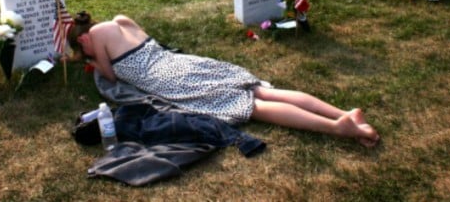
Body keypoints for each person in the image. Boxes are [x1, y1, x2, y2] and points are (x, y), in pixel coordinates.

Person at [68, 12, 380, 148]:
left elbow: (109, 75)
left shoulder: (95, 36)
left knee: (251, 105)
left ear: (81, 41)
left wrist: (93, 60)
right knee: (258, 89)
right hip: (180, 61)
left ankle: (338, 127)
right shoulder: (122, 20)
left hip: (169, 78)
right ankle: (343, 113)